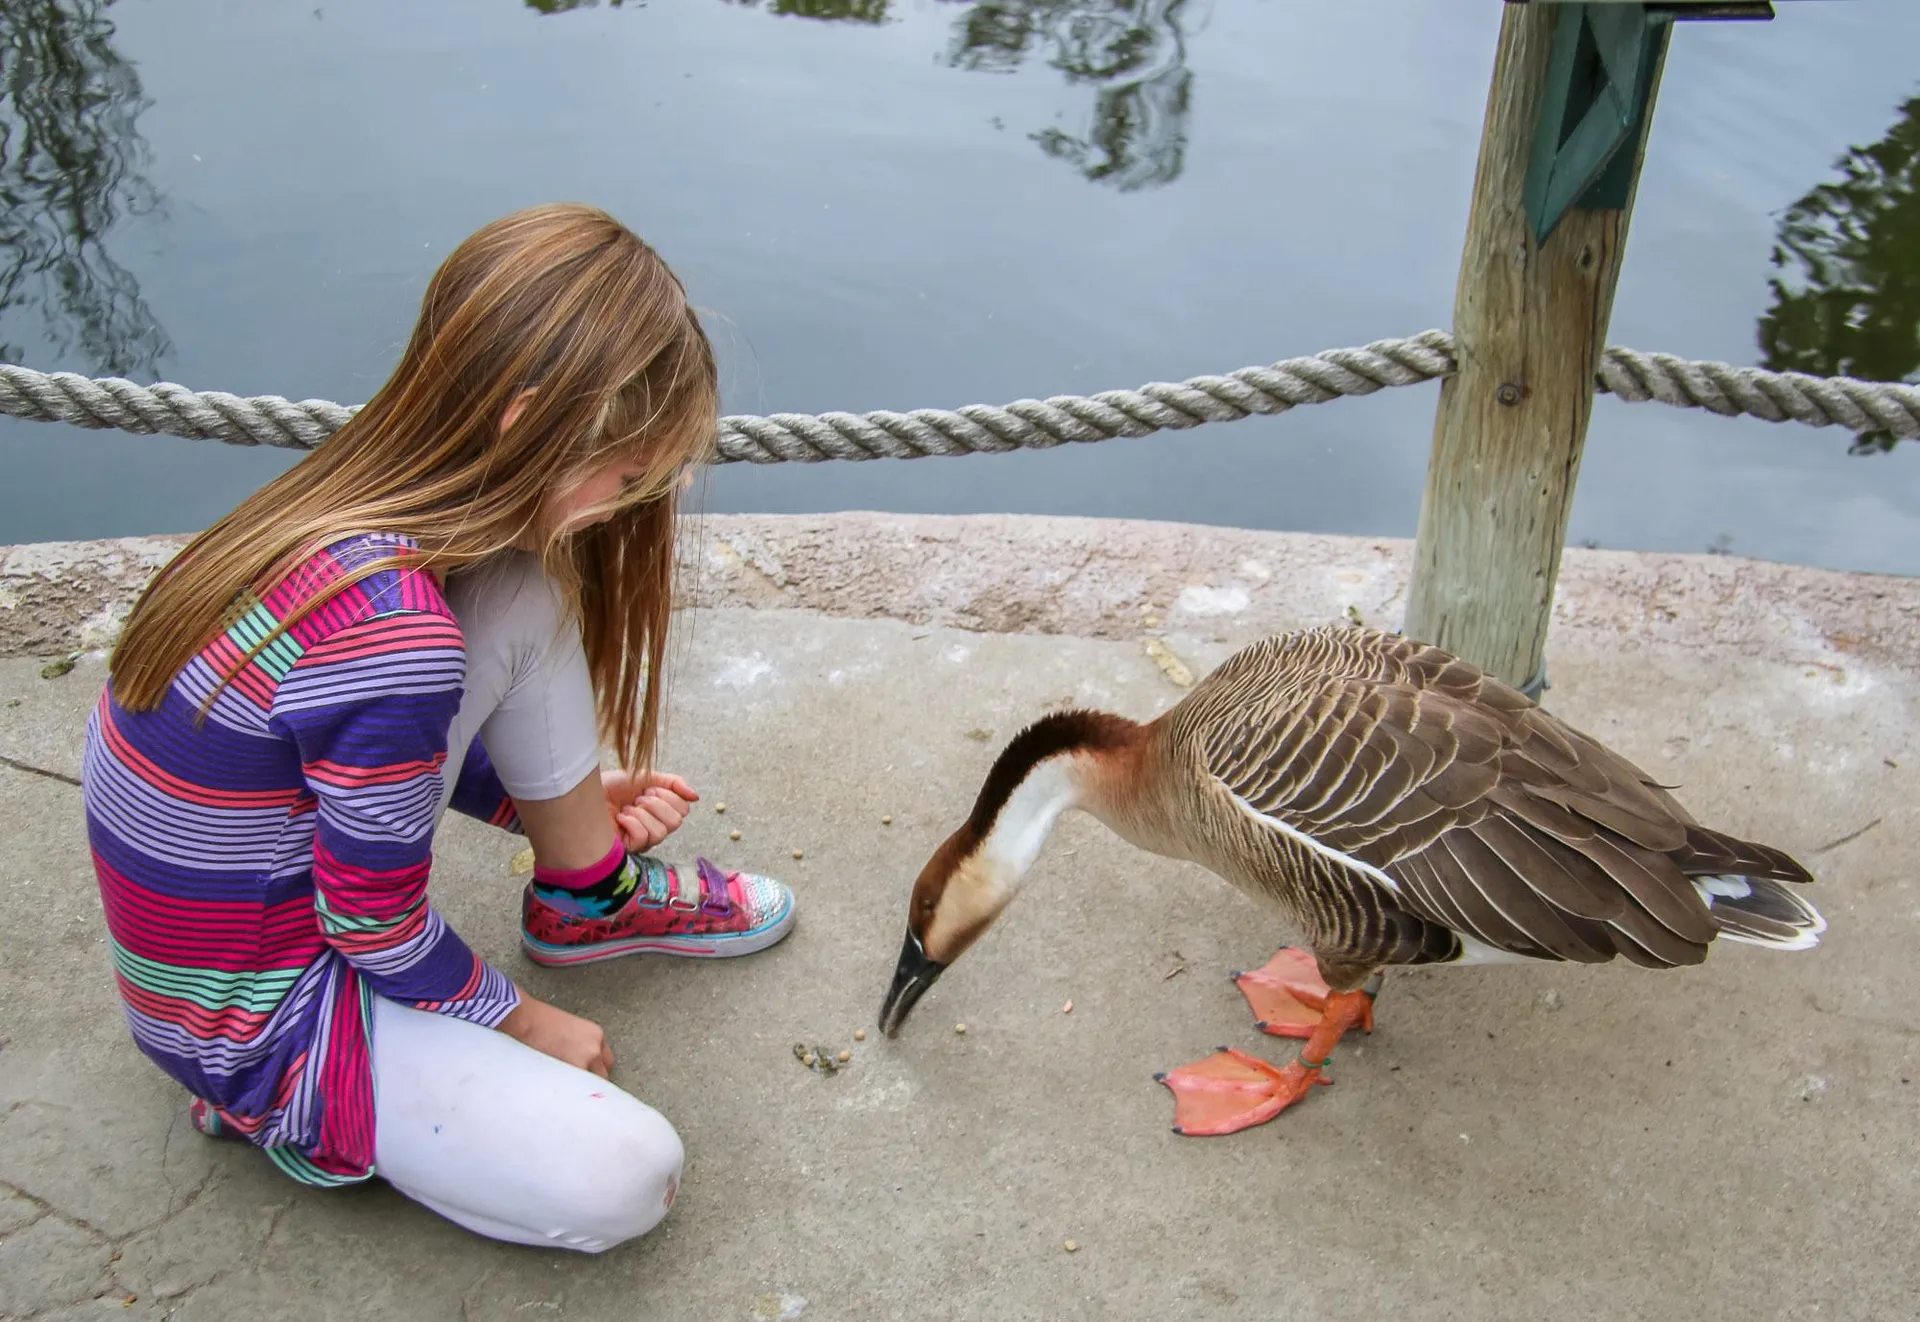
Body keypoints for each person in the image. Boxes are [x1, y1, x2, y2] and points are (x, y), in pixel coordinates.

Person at [79, 203, 796, 1253]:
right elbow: (370, 921)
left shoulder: (330, 514)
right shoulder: (400, 636)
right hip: (262, 1014)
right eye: (630, 473)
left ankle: (585, 887)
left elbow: (346, 757)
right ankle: (280, 1114)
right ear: (524, 419)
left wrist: (544, 802)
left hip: (198, 964)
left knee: (521, 582)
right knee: (628, 1176)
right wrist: (514, 1017)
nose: (638, 497)